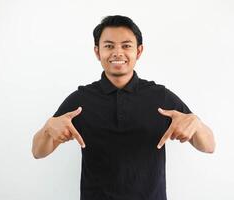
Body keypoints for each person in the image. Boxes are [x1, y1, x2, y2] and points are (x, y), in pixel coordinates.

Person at [32, 15, 215, 200]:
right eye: (109, 46)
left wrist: (196, 123)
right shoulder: (81, 99)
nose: (117, 53)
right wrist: (48, 128)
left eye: (126, 46)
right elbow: (38, 152)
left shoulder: (161, 96)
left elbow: (209, 146)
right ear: (97, 52)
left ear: (139, 51)